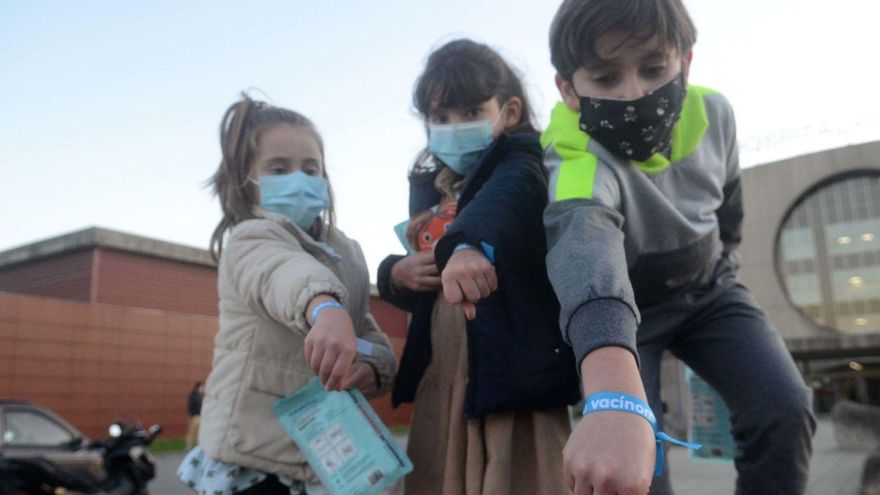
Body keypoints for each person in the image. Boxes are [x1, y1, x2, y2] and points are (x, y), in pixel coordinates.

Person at [542, 1, 816, 493]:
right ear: (569, 91)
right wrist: (610, 391)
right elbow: (584, 244)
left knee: (785, 405)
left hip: (710, 292)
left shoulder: (715, 113)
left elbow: (729, 204)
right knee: (636, 465)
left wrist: (725, 258)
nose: (635, 93)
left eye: (653, 68)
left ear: (685, 62)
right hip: (629, 315)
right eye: (605, 80)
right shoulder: (573, 156)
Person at [376, 39, 581, 495]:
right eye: (441, 117)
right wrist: (395, 274)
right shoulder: (433, 191)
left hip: (512, 380)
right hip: (444, 379)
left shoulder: (525, 161)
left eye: (471, 111)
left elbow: (502, 202)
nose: (454, 126)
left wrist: (465, 244)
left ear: (508, 111)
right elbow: (418, 267)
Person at [177, 94, 397, 495]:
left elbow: (366, 331)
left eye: (310, 169)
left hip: (325, 457)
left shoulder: (345, 251)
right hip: (254, 458)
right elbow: (282, 274)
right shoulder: (249, 238)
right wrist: (325, 308)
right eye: (279, 168)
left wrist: (376, 365)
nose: (298, 178)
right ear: (247, 178)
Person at [184, 381, 204, 451]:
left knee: (200, 431)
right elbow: (190, 406)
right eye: (202, 387)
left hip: (201, 416)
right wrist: (192, 414)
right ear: (198, 387)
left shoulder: (202, 396)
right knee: (192, 431)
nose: (203, 389)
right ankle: (189, 445)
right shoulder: (194, 395)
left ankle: (198, 445)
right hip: (195, 416)